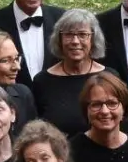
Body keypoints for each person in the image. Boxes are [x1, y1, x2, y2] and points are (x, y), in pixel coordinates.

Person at [31, 9, 111, 137]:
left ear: (93, 38)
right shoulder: (43, 81)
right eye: (68, 34)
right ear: (59, 39)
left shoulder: (109, 77)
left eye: (82, 34)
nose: (75, 41)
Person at [69, 72, 128, 162]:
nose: (105, 111)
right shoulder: (71, 152)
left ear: (124, 108)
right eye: (96, 105)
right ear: (86, 110)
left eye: (112, 103)